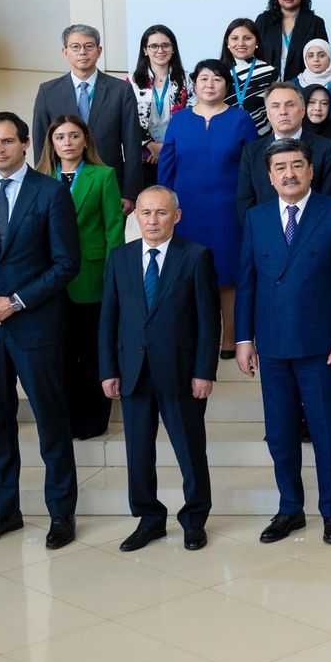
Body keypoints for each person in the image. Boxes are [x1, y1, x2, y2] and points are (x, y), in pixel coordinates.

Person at [0, 111, 81, 549]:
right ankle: (5, 512)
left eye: (7, 141)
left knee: (51, 422)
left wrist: (17, 301)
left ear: (25, 143)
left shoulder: (51, 192)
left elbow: (66, 263)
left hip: (35, 326)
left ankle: (61, 513)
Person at [235, 139, 331, 546]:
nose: (289, 174)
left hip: (321, 345)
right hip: (272, 343)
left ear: (311, 170)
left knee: (325, 432)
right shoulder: (256, 217)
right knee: (280, 433)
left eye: (296, 165)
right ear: (269, 176)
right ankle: (290, 508)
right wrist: (243, 338)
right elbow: (247, 282)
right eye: (280, 167)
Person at [97, 185, 218, 552]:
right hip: (133, 371)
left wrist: (204, 371)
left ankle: (194, 520)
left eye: (161, 212)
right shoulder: (120, 258)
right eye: (146, 213)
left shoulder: (195, 256)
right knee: (138, 452)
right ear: (136, 216)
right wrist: (108, 369)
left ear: (176, 216)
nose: (152, 220)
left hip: (180, 372)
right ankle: (149, 519)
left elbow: (208, 321)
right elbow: (109, 319)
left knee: (190, 449)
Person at [157, 60, 256, 357]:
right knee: (189, 274)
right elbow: (167, 167)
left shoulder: (241, 119)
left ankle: (231, 337)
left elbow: (252, 167)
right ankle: (197, 338)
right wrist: (164, 207)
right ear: (195, 84)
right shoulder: (180, 121)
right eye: (203, 79)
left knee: (228, 274)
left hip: (229, 210)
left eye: (217, 79)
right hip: (187, 211)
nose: (210, 84)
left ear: (227, 85)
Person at [43, 114, 124, 439]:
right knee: (59, 353)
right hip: (49, 280)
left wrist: (112, 277)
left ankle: (93, 419)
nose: (67, 142)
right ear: (51, 143)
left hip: (91, 276)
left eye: (74, 136)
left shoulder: (103, 175)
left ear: (85, 140)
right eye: (60, 137)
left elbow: (114, 229)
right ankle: (66, 417)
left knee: (91, 351)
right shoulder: (40, 178)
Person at [30, 24, 144, 205]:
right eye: (75, 47)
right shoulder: (48, 91)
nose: (82, 52)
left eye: (89, 46)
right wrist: (42, 186)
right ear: (65, 52)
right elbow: (41, 145)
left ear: (99, 51)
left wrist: (129, 192)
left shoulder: (121, 90)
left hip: (108, 183)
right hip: (62, 184)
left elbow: (132, 145)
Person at [237, 83, 331, 220]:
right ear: (268, 114)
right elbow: (245, 203)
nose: (283, 112)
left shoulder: (327, 149)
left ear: (302, 110)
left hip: (315, 228)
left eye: (290, 105)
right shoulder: (251, 152)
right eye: (275, 106)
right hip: (265, 230)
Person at [129, 25, 190, 181]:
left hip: (178, 151)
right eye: (154, 46)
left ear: (173, 49)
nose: (160, 50)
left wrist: (166, 147)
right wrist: (151, 145)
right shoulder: (132, 82)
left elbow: (192, 114)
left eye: (165, 45)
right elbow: (128, 119)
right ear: (145, 50)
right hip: (144, 155)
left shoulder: (187, 80)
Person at [255, 0, 329, 79]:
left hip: (303, 82)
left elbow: (324, 56)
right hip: (267, 82)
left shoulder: (315, 22)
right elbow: (254, 52)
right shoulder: (263, 21)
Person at [220, 18, 277, 136]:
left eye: (247, 38)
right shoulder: (218, 72)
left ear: (257, 42)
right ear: (227, 42)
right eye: (235, 38)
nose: (241, 43)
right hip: (223, 136)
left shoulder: (270, 72)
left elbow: (277, 108)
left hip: (261, 138)